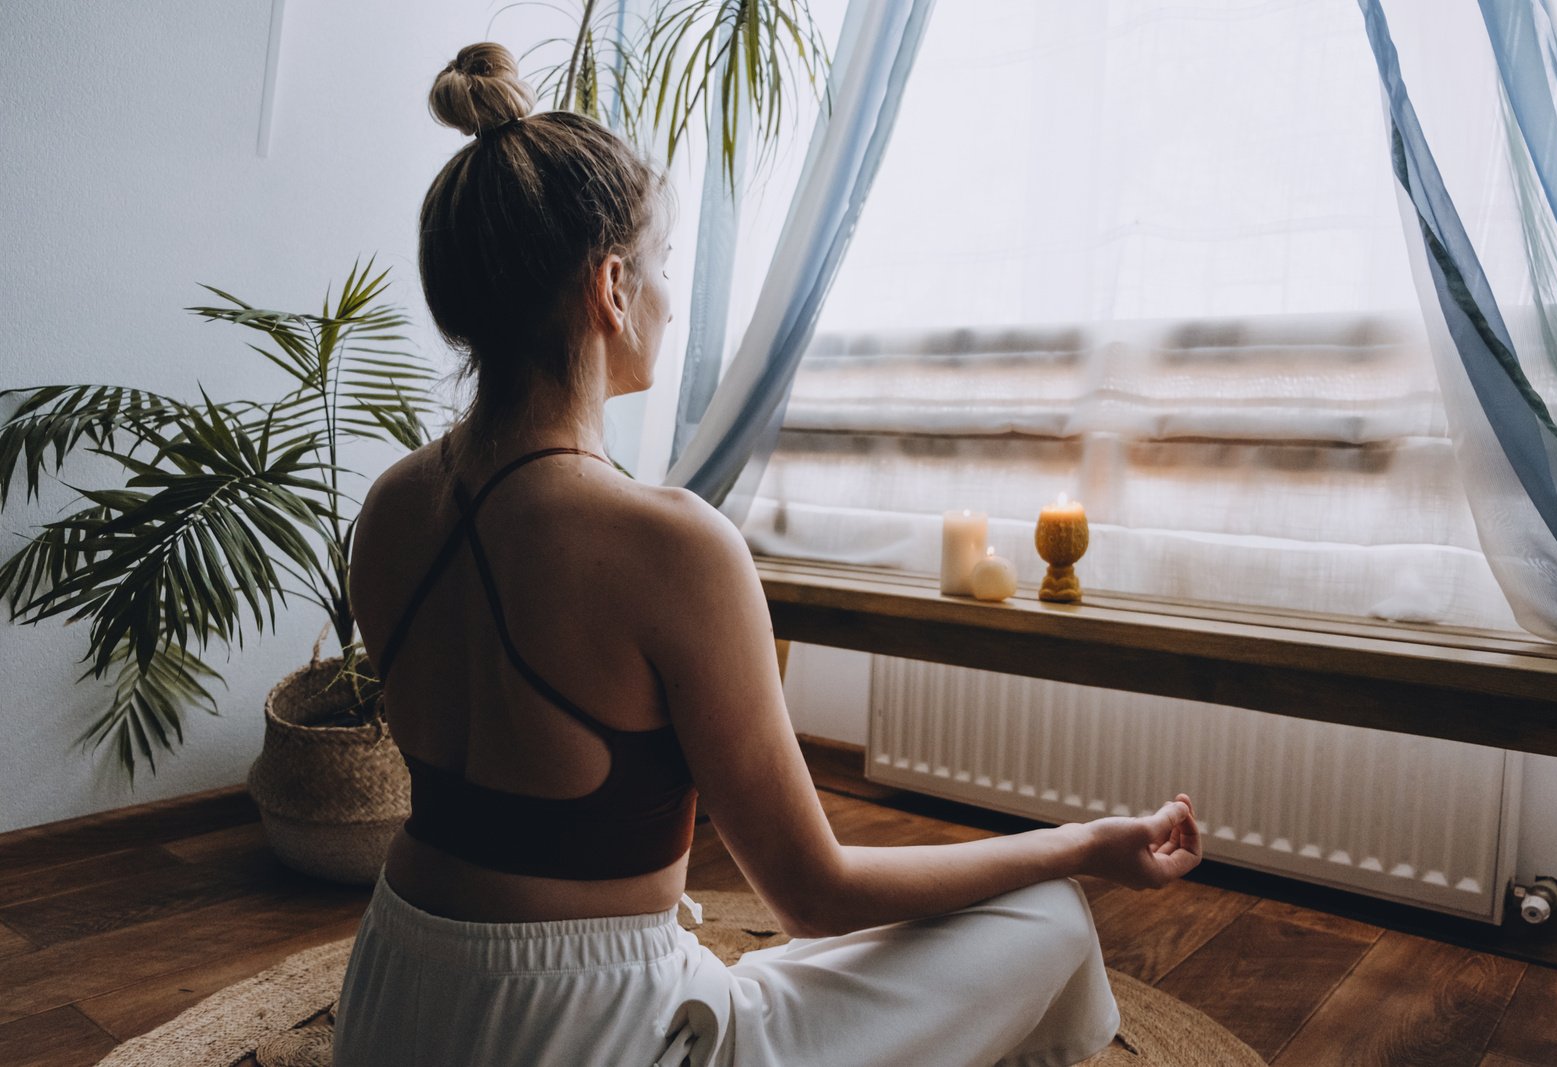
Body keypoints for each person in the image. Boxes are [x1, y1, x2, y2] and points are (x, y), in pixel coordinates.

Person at [332, 41, 1203, 1067]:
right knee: (1046, 916)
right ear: (610, 287)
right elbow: (815, 893)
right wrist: (1085, 844)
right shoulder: (669, 544)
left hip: (394, 999)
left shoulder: (390, 508)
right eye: (660, 267)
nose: (667, 294)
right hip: (585, 1037)